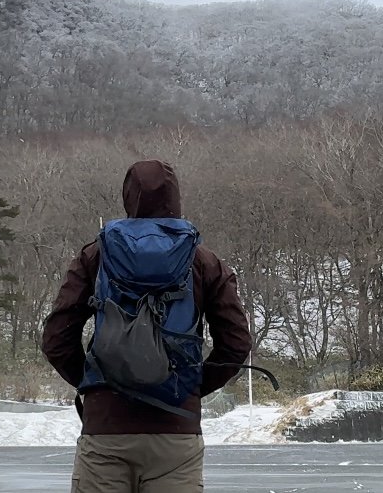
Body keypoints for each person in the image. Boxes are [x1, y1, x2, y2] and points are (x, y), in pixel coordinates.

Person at [42, 159, 253, 492]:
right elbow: (237, 343)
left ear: (129, 197)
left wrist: (96, 385)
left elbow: (57, 339)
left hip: (105, 430)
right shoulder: (204, 261)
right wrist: (190, 387)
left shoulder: (95, 256)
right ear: (176, 199)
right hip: (176, 433)